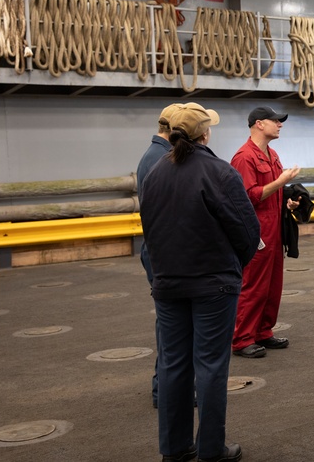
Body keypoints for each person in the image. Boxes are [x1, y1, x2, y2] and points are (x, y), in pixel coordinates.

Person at [140, 102, 261, 462]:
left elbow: (150, 231)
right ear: (205, 134)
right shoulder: (219, 172)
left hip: (168, 284)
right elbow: (246, 231)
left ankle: (174, 450)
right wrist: (232, 268)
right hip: (213, 285)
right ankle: (211, 450)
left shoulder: (154, 173)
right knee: (210, 367)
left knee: (173, 365)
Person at [231, 106, 301, 358]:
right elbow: (248, 197)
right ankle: (242, 339)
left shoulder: (271, 154)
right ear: (259, 124)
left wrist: (286, 201)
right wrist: (281, 182)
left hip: (274, 229)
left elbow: (270, 194)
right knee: (253, 285)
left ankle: (262, 332)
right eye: (275, 121)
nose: (280, 124)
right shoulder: (244, 157)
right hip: (256, 231)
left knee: (272, 285)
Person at [137, 102, 181, 408]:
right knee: (172, 326)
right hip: (166, 254)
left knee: (172, 325)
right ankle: (164, 391)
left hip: (161, 251)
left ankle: (165, 389)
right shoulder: (161, 160)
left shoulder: (155, 156)